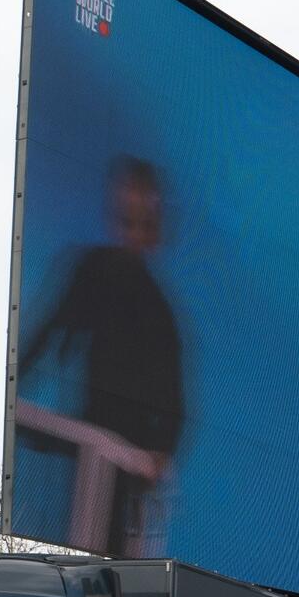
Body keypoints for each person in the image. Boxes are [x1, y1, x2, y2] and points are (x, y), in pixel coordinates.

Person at [18, 156, 184, 555]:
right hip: (82, 448)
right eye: (124, 218)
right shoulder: (90, 269)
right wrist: (10, 390)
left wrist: (159, 455)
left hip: (124, 466)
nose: (131, 233)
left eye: (142, 222)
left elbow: (178, 405)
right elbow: (44, 334)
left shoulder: (161, 313)